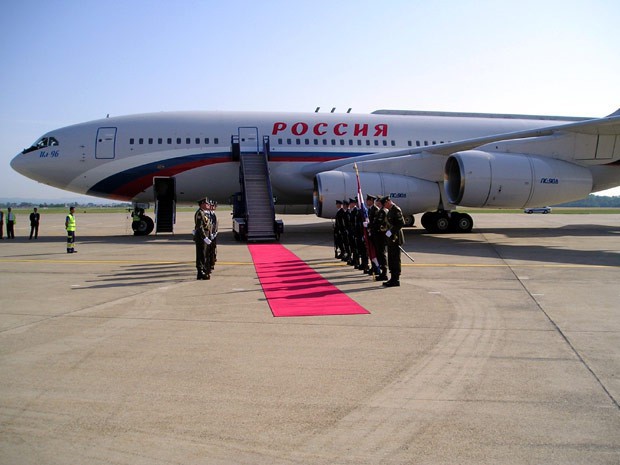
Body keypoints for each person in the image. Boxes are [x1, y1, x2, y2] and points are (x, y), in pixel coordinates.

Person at [381, 196, 405, 287]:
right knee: (391, 258)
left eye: (384, 204)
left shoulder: (396, 209)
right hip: (391, 238)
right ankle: (392, 278)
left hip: (396, 238)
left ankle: (396, 279)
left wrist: (391, 231)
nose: (384, 206)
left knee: (395, 258)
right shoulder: (390, 210)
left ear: (388, 201)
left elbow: (401, 223)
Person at [193, 198, 213, 280]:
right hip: (201, 237)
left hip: (204, 236)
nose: (208, 205)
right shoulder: (199, 213)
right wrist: (204, 237)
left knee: (203, 254)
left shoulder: (203, 212)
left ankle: (202, 271)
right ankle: (200, 272)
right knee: (200, 254)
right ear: (202, 204)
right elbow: (200, 227)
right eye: (206, 203)